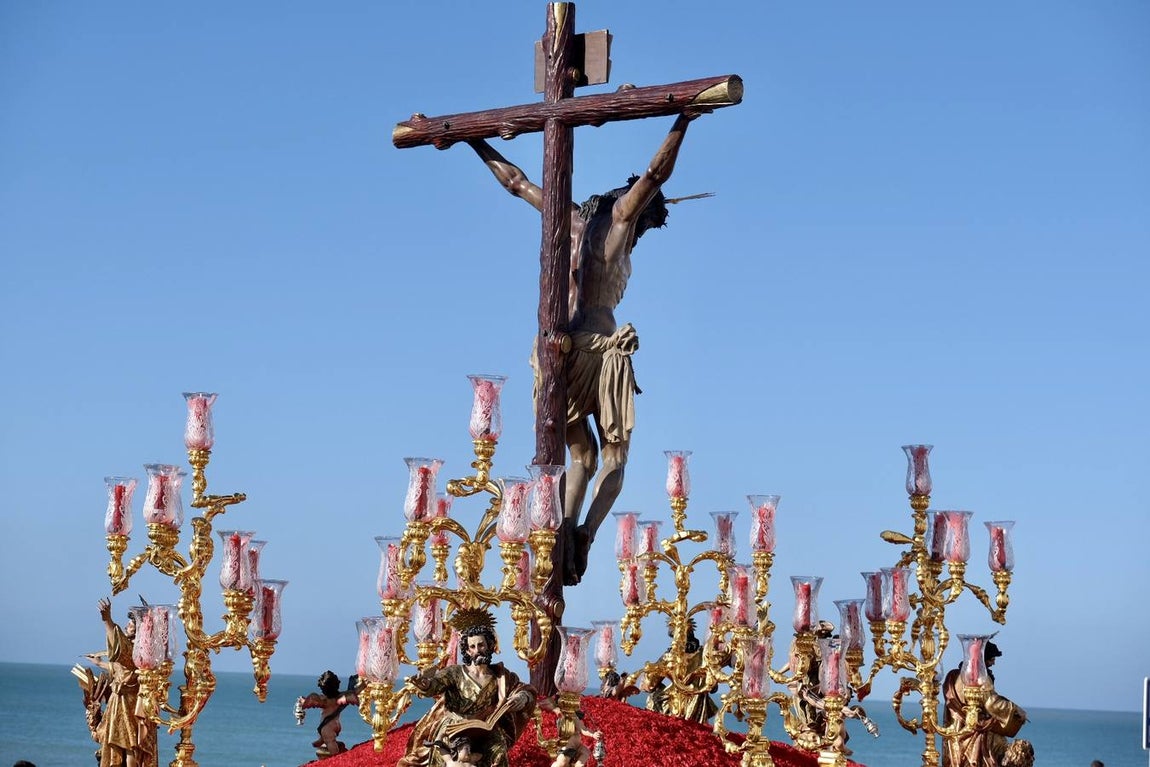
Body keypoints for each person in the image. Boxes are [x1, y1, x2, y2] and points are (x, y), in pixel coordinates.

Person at [467, 110, 705, 584]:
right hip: (600, 352)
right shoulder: (619, 225)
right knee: (614, 457)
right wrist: (684, 119)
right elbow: (657, 173)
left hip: (557, 351)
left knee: (582, 456)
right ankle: (586, 534)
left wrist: (475, 141)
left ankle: (560, 532)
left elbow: (515, 182)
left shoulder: (569, 217)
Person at [398, 610, 537, 767]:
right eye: (472, 646)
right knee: (443, 750)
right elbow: (435, 685)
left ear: (489, 645)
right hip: (454, 726)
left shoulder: (500, 676)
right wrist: (426, 685)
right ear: (467, 650)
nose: (477, 650)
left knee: (498, 751)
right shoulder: (455, 672)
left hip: (485, 728)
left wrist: (522, 697)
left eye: (481, 645)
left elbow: (524, 689)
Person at [87, 597, 156, 767]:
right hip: (118, 702)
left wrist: (107, 620)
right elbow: (120, 668)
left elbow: (122, 653)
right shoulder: (137, 651)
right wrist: (100, 664)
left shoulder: (139, 651)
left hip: (130, 704)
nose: (127, 627)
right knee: (119, 742)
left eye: (131, 626)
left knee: (131, 742)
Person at [941, 640, 1032, 767]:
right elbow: (991, 703)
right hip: (976, 730)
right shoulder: (979, 677)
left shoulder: (953, 676)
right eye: (992, 658)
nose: (994, 662)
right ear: (984, 658)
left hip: (956, 731)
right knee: (997, 753)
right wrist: (1016, 710)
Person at [642, 620, 718, 723]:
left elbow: (651, 685)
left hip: (675, 704)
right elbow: (713, 687)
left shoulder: (670, 656)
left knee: (655, 699)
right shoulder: (705, 655)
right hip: (697, 705)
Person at [296, 670, 360, 758]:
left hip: (328, 727)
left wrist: (303, 701)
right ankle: (321, 740)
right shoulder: (341, 696)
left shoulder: (324, 700)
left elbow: (312, 701)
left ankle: (336, 756)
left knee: (329, 740)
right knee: (324, 733)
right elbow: (351, 694)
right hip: (336, 724)